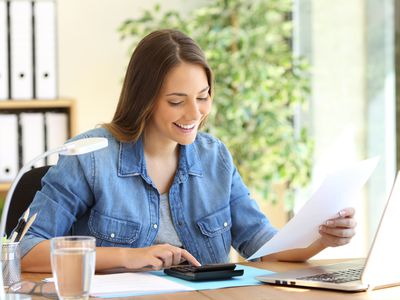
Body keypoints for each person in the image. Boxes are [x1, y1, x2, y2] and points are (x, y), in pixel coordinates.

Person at [19, 29, 356, 272]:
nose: (195, 114)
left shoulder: (214, 158)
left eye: (203, 97)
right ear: (145, 100)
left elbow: (261, 247)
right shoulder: (91, 157)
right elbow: (26, 249)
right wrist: (127, 256)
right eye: (177, 101)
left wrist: (322, 240)